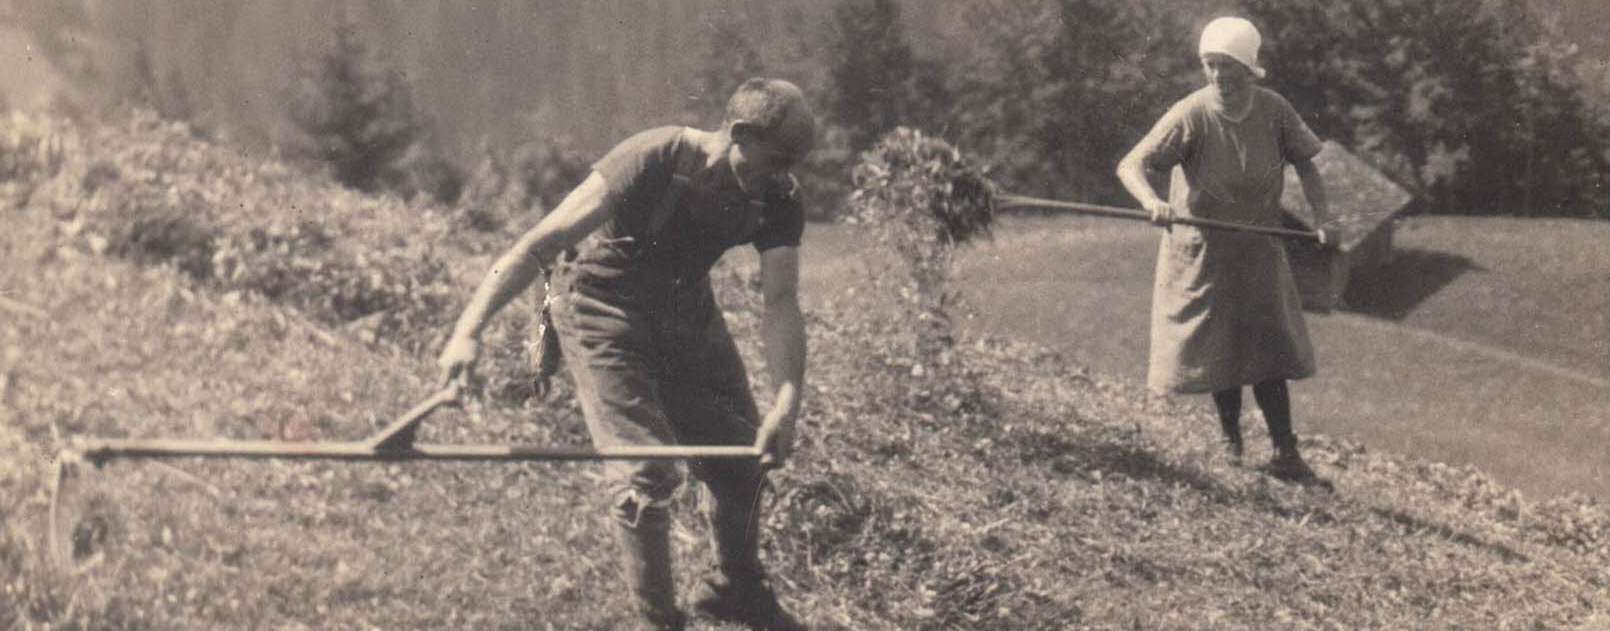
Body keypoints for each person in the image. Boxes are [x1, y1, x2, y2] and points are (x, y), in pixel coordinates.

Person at [436, 78, 813, 631]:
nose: (782, 174)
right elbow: (536, 244)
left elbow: (781, 301)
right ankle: (658, 621)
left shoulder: (778, 196)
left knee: (743, 458)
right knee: (644, 475)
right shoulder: (654, 157)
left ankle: (733, 591)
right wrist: (467, 331)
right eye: (775, 158)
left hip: (685, 313)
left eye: (793, 162)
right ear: (737, 135)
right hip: (599, 307)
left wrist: (788, 399)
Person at [1116, 17, 1335, 483]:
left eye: (1228, 66)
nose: (1218, 76)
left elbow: (1308, 167)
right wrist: (1152, 200)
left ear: (1250, 68)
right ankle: (1230, 446)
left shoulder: (1274, 110)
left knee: (1270, 349)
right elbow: (1131, 164)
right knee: (1223, 351)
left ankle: (1285, 454)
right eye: (1210, 66)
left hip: (1259, 249)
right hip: (1206, 255)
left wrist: (1324, 219)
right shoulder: (1192, 114)